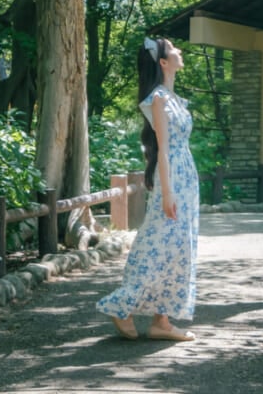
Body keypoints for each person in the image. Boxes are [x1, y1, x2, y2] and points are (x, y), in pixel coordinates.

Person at [96, 36, 199, 341]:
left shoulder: (172, 98)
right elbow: (163, 149)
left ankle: (161, 322)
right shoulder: (159, 99)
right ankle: (121, 305)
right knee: (160, 246)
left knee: (177, 249)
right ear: (163, 62)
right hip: (173, 179)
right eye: (173, 49)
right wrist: (168, 192)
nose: (180, 51)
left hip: (184, 176)